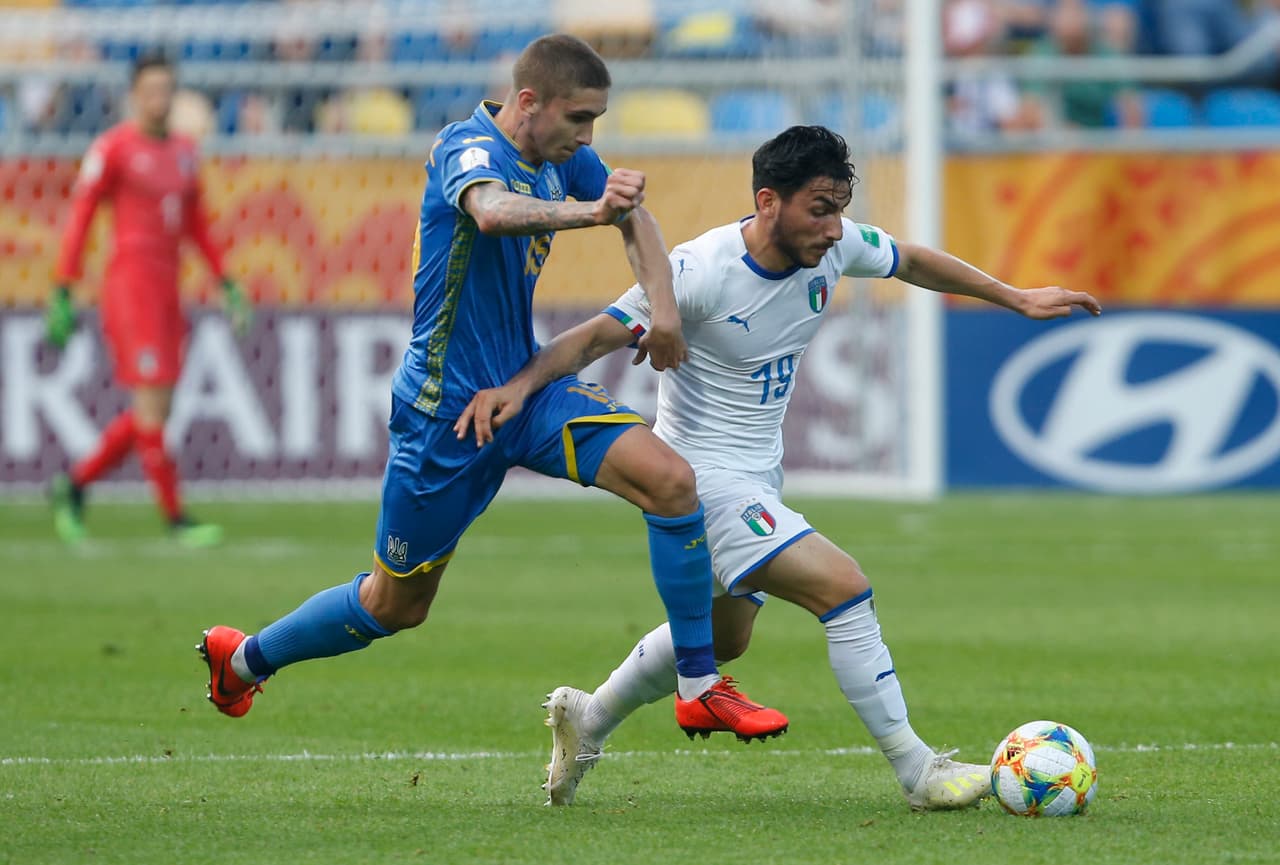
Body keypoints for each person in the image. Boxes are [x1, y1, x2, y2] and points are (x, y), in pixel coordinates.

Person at [454, 125, 1102, 809]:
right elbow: (590, 338)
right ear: (769, 201)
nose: (834, 227)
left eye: (839, 208)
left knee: (723, 637)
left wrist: (1019, 296)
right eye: (819, 208)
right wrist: (517, 391)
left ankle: (590, 718)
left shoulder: (833, 245)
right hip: (701, 479)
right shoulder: (701, 270)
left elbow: (909, 259)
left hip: (759, 473)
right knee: (844, 588)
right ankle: (919, 769)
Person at [197, 34, 786, 743]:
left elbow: (634, 217)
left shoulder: (561, 157)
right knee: (396, 603)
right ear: (529, 102)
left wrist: (662, 308)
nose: (588, 137)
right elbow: (492, 212)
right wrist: (591, 212)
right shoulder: (465, 148)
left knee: (671, 481)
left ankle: (697, 685)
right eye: (579, 119)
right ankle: (245, 659)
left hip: (523, 391)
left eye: (597, 121)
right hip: (445, 414)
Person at [46, 53, 252, 548]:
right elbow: (81, 215)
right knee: (152, 404)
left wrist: (225, 279)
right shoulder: (113, 148)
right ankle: (174, 516)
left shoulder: (184, 152)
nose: (159, 100)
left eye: (167, 90)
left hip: (167, 290)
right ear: (135, 96)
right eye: (151, 91)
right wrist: (63, 285)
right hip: (129, 287)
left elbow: (196, 223)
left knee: (154, 409)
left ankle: (73, 486)